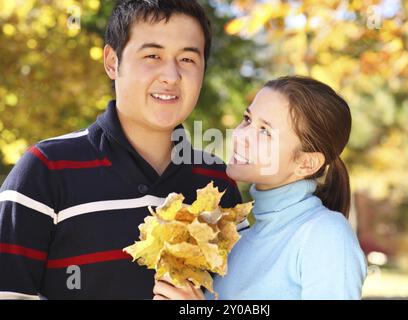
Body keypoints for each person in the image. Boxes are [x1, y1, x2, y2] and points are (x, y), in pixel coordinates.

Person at [0, 0, 242, 299]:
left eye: (188, 59)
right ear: (112, 62)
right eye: (152, 55)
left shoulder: (219, 184)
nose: (171, 75)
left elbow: (244, 297)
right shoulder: (46, 169)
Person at [153, 76, 367, 300]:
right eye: (247, 119)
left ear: (306, 163)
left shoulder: (325, 235)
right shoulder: (238, 241)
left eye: (265, 131)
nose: (239, 135)